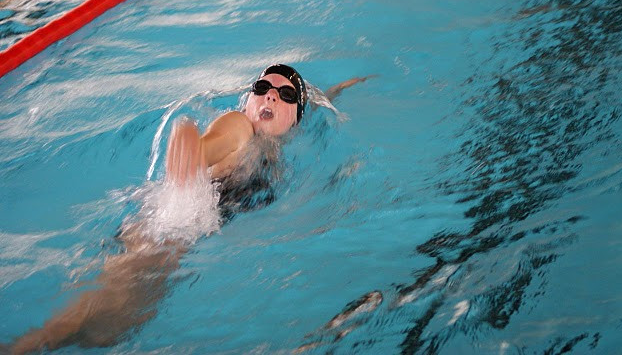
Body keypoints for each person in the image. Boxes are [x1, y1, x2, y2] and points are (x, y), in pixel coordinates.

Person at [11, 64, 370, 354]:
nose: (271, 95)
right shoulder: (239, 127)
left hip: (174, 237)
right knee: (77, 326)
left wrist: (338, 90)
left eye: (285, 94)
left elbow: (312, 105)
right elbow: (212, 143)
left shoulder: (272, 146)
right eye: (262, 88)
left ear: (296, 119)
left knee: (109, 329)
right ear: (248, 102)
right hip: (161, 233)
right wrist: (194, 148)